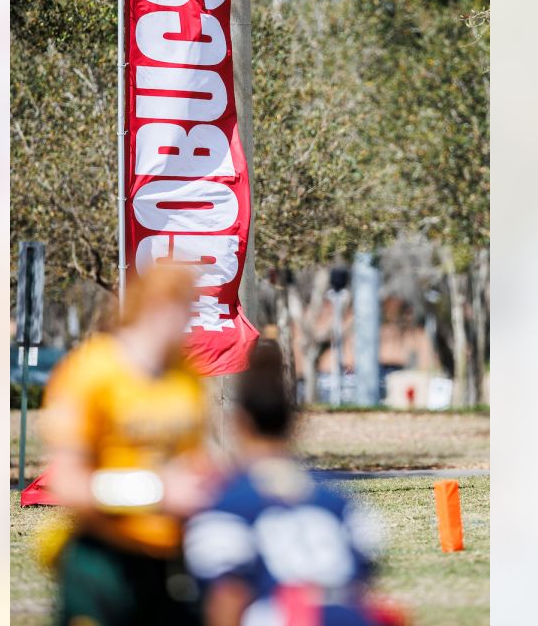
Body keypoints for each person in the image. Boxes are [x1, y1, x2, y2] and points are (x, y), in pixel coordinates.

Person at [40, 266, 214, 626]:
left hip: (170, 561)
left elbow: (191, 461)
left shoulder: (187, 375)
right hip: (103, 560)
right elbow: (67, 484)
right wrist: (157, 493)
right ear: (153, 304)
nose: (187, 323)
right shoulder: (91, 371)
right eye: (182, 308)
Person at [183, 341, 392, 626]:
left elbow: (228, 596)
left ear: (240, 424)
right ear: (294, 424)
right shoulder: (340, 500)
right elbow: (363, 583)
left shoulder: (228, 505)